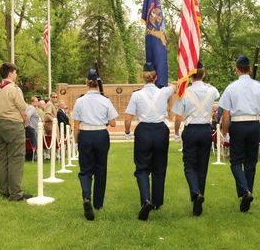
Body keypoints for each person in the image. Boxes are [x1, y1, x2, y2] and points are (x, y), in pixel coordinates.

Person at [125, 62, 175, 221]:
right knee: (159, 168)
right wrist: (164, 80)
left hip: (144, 131)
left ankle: (146, 199)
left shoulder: (136, 95)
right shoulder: (165, 91)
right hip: (160, 131)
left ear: (143, 77)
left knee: (142, 168)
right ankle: (157, 202)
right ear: (156, 77)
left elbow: (128, 118)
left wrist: (127, 132)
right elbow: (173, 86)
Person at [220, 55, 260, 213]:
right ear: (249, 69)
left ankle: (245, 191)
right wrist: (254, 112)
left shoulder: (231, 87)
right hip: (254, 125)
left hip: (238, 125)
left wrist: (225, 132)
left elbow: (225, 114)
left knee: (235, 161)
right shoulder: (259, 86)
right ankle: (247, 192)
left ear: (237, 69)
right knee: (251, 162)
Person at [172, 61, 219, 217]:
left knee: (189, 165)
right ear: (204, 74)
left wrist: (177, 133)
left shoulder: (184, 92)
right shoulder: (211, 91)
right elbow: (216, 94)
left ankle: (195, 193)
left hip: (191, 130)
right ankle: (199, 196)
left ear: (190, 75)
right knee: (202, 166)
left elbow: (178, 117)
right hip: (206, 130)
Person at [72, 68, 118, 221]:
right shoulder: (105, 100)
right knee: (100, 169)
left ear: (86, 83)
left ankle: (86, 198)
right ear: (98, 84)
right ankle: (98, 203)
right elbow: (112, 123)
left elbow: (76, 125)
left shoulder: (80, 100)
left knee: (85, 170)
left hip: (85, 135)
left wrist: (76, 142)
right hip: (100, 135)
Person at [0, 62, 31, 201]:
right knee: (16, 158)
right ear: (10, 73)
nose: (16, 74)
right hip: (13, 124)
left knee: (3, 158)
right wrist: (24, 121)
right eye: (15, 72)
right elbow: (23, 110)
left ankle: (3, 190)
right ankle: (15, 193)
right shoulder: (14, 89)